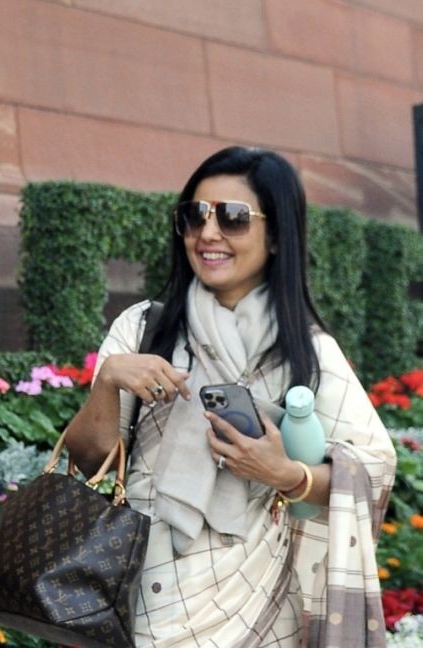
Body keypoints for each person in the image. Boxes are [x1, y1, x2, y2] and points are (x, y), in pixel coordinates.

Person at [65, 147, 396, 647]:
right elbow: (87, 459)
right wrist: (109, 380)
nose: (208, 233)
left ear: (277, 235)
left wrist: (287, 475)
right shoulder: (144, 329)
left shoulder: (306, 353)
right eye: (195, 215)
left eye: (233, 218)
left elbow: (373, 468)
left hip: (257, 605)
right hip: (139, 591)